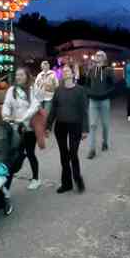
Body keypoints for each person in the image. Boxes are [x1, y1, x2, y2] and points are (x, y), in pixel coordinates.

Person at [46, 65, 89, 194]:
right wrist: (48, 126)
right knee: (64, 155)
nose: (65, 72)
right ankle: (66, 183)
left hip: (75, 126)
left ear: (72, 73)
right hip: (61, 126)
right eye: (63, 71)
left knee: (73, 154)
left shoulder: (80, 90)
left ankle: (78, 179)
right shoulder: (58, 90)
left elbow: (84, 111)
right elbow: (53, 109)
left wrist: (85, 129)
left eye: (67, 71)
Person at [2, 67, 41, 191]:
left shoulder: (33, 89)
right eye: (17, 75)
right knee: (13, 156)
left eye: (21, 75)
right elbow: (7, 104)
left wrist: (22, 119)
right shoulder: (11, 90)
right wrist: (5, 115)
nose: (18, 77)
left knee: (30, 153)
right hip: (15, 128)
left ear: (27, 76)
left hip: (29, 128)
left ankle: (36, 179)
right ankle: (6, 187)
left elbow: (34, 107)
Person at [85, 50, 115, 160]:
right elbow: (86, 84)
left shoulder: (109, 70)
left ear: (104, 58)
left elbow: (113, 85)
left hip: (104, 101)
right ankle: (92, 149)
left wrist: (105, 93)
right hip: (93, 101)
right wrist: (89, 93)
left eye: (100, 55)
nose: (97, 57)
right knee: (92, 125)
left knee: (105, 124)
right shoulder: (91, 70)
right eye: (96, 55)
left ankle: (105, 142)